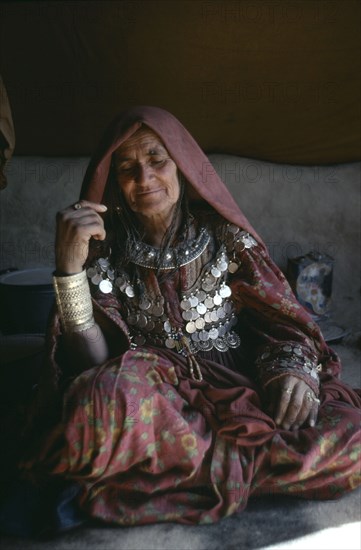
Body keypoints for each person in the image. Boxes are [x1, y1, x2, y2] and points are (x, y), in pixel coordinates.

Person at [19, 106, 361, 527]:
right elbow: (90, 365)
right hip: (157, 395)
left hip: (242, 385)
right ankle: (227, 466)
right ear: (114, 182)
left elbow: (283, 320)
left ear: (181, 165)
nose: (144, 179)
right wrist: (70, 270)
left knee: (349, 432)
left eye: (156, 160)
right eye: (126, 168)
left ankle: (167, 468)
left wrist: (292, 372)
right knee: (98, 400)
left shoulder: (225, 238)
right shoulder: (105, 251)